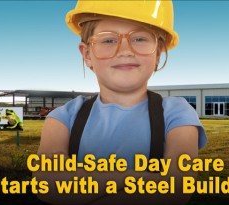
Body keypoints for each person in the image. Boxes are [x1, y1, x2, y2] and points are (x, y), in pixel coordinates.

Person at [33, 1, 207, 204]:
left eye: (140, 38)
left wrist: (80, 184)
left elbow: (176, 189)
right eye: (108, 41)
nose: (125, 50)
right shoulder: (63, 117)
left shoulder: (178, 113)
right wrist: (136, 179)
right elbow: (47, 182)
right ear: (87, 54)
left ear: (157, 53)